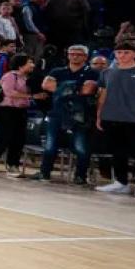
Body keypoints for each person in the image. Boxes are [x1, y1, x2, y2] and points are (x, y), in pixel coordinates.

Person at [95, 37, 135, 198]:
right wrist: (99, 115)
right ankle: (121, 182)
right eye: (119, 52)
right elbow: (103, 95)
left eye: (126, 52)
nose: (122, 55)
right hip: (112, 117)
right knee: (117, 152)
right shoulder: (107, 72)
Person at [28, 45, 99, 185]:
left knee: (81, 147)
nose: (74, 56)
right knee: (50, 145)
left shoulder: (93, 72)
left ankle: (80, 176)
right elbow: (46, 85)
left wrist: (61, 87)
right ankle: (45, 173)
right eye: (71, 54)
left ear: (85, 57)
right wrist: (76, 87)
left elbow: (89, 89)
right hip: (57, 113)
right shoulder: (58, 70)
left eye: (78, 54)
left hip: (81, 115)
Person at [0, 53, 37, 175]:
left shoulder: (27, 78)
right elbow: (10, 92)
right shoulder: (10, 76)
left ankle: (13, 164)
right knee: (5, 136)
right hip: (6, 110)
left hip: (21, 111)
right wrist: (31, 96)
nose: (32, 65)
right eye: (29, 62)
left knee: (19, 139)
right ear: (20, 65)